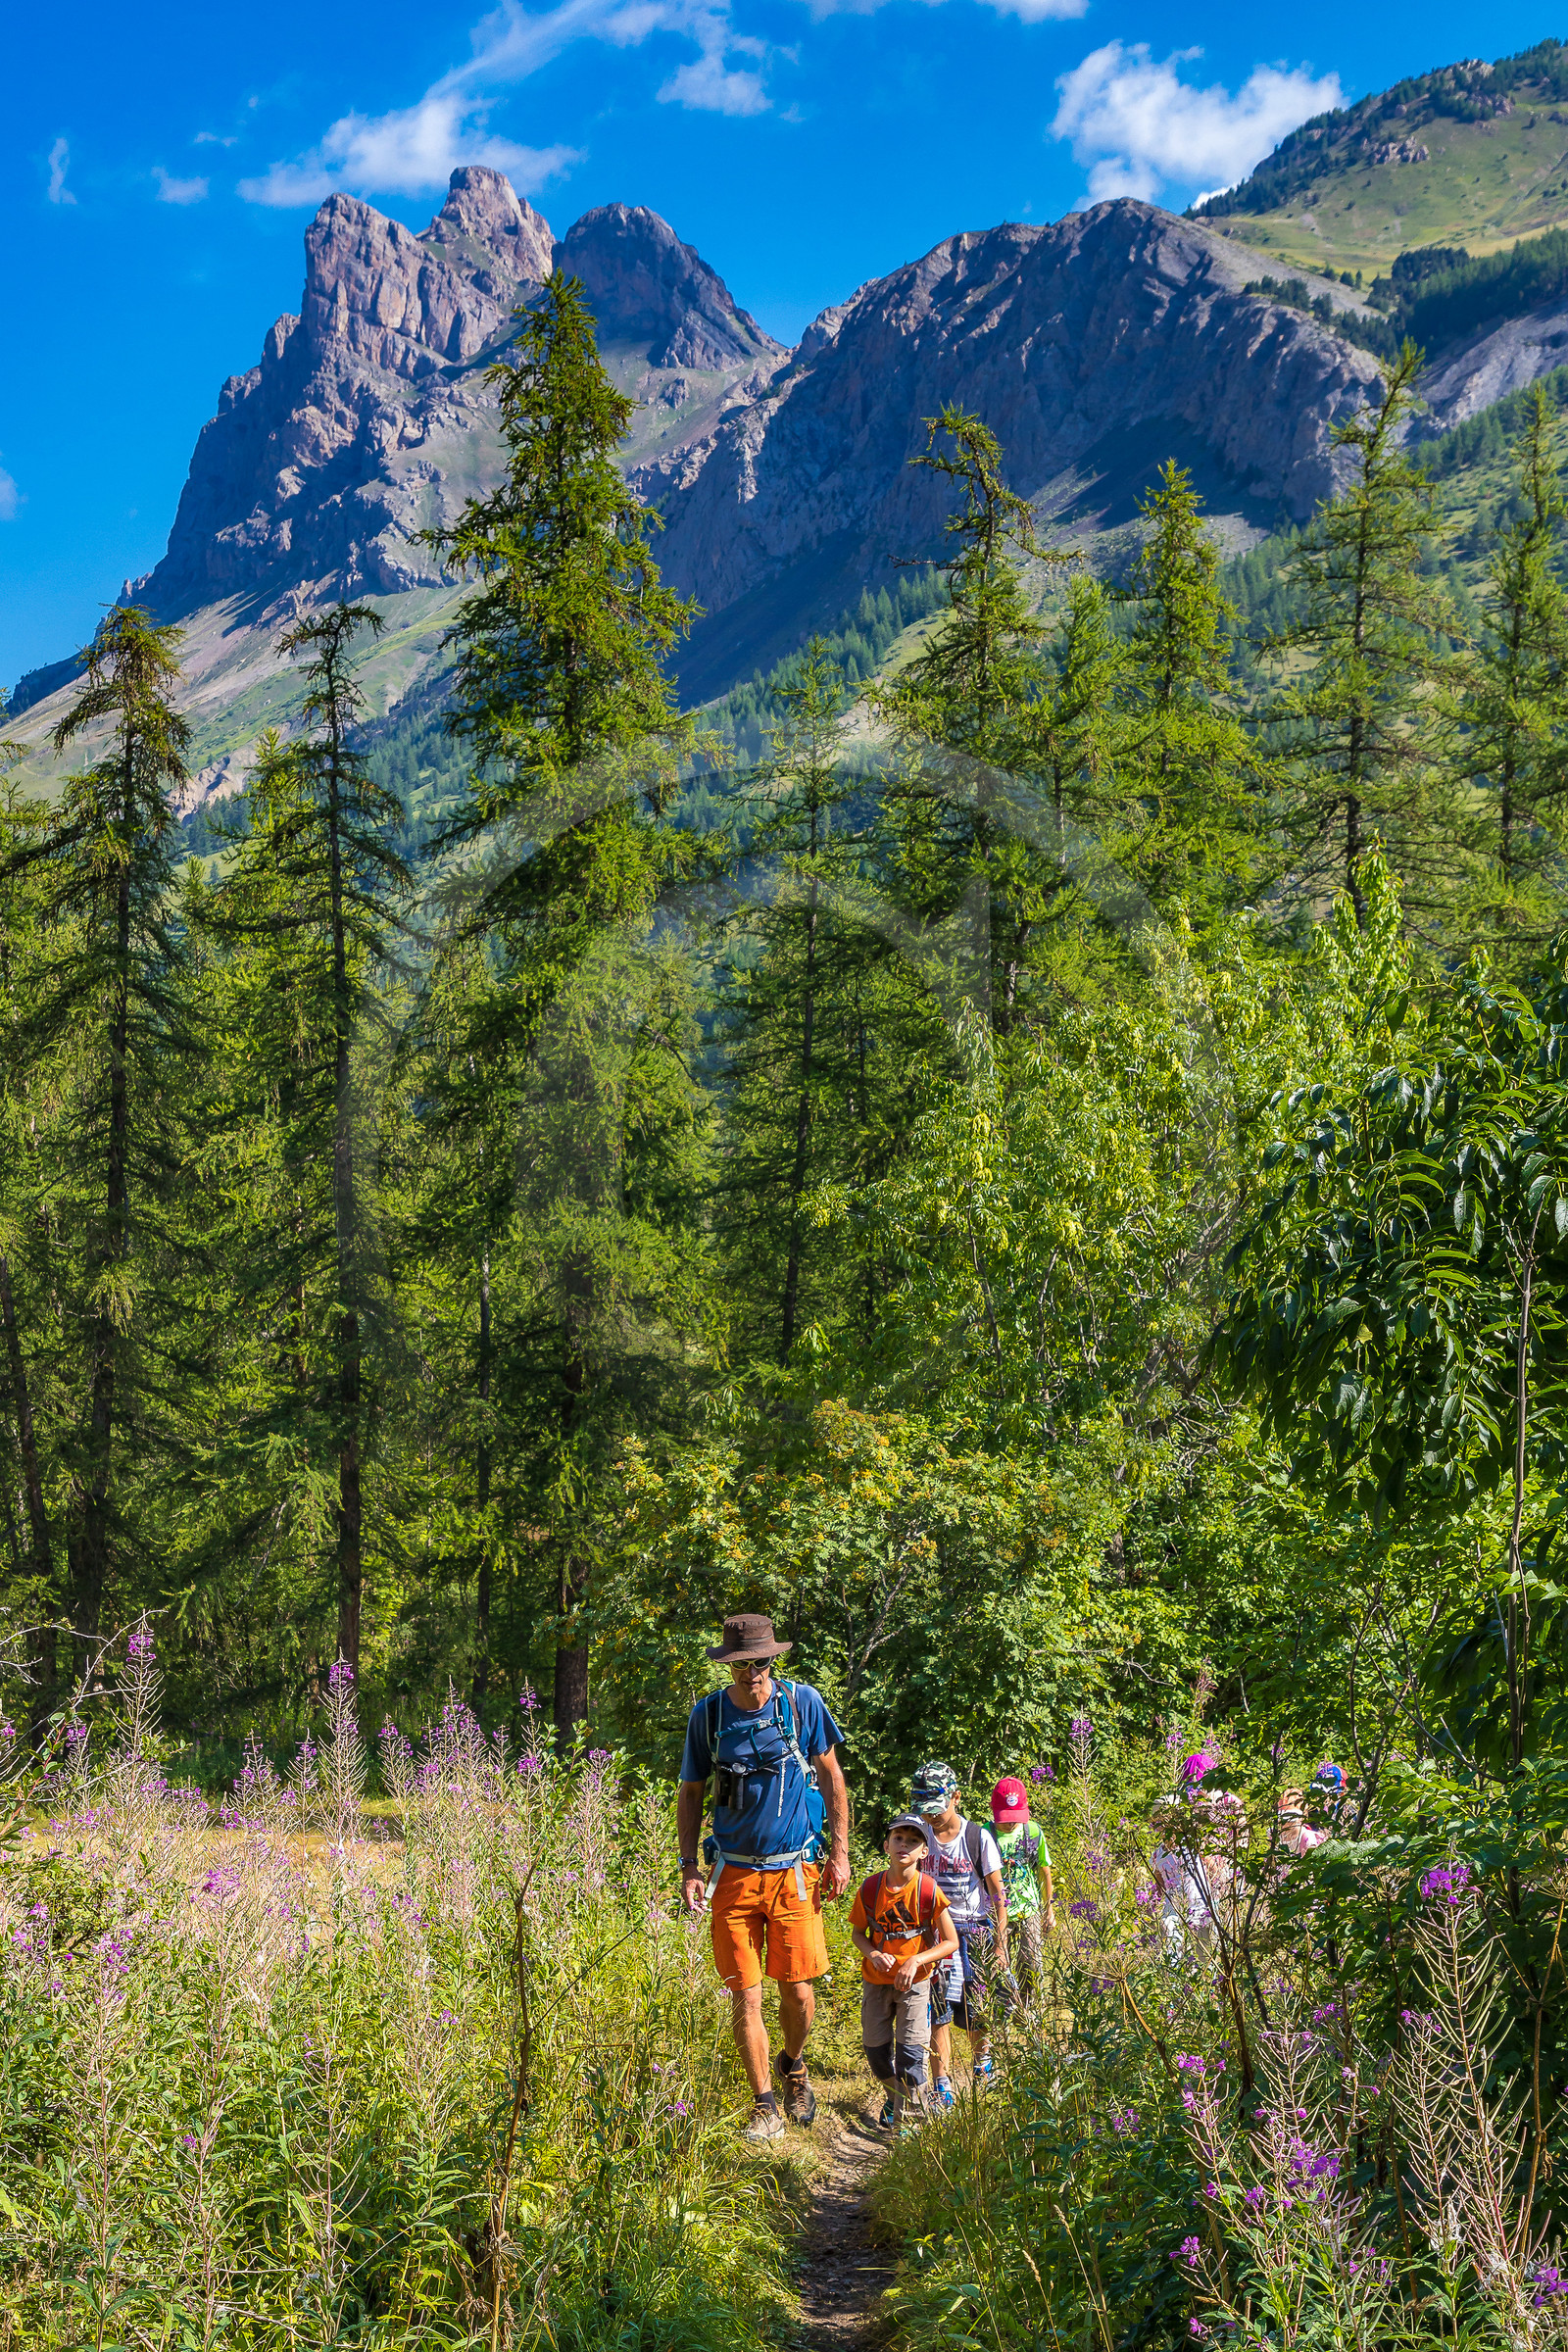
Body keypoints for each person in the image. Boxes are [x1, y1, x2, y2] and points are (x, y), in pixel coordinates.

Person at [677, 1613, 851, 2140]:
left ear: (773, 1659)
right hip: (731, 1874)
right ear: (728, 1665)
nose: (752, 1673)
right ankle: (765, 2104)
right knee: (746, 1995)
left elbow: (832, 1777)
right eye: (741, 1665)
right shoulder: (708, 1715)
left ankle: (793, 2064)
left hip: (794, 1869)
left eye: (761, 1663)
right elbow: (691, 1792)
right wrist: (689, 1867)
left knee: (797, 1991)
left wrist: (840, 1854)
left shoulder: (802, 1703)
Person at [850, 1813, 959, 2132]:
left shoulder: (928, 1890)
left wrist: (915, 1961)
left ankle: (908, 2127)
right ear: (886, 1845)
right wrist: (873, 1953)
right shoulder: (871, 1888)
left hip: (916, 1984)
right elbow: (858, 1933)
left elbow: (950, 1941)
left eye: (913, 1841)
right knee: (876, 2053)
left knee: (911, 2056)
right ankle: (896, 2098)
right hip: (876, 1982)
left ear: (924, 1851)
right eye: (898, 1838)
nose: (904, 1845)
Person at [910, 1760, 1007, 2103]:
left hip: (974, 1933)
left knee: (978, 2008)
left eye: (937, 1807)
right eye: (924, 1809)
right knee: (937, 2012)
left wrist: (1000, 1945)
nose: (931, 1816)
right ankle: (943, 2086)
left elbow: (998, 1895)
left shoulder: (976, 1838)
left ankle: (983, 2066)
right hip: (934, 1937)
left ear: (956, 1797)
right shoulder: (919, 1836)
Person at [990, 1777, 1054, 1996]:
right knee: (996, 1966)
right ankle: (1000, 2008)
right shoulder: (984, 1835)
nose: (1010, 1824)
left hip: (1029, 1908)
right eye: (1005, 1818)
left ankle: (1028, 2008)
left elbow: (1044, 1870)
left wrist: (1049, 1909)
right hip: (996, 1912)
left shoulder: (1033, 1832)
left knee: (1032, 1964)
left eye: (1015, 1818)